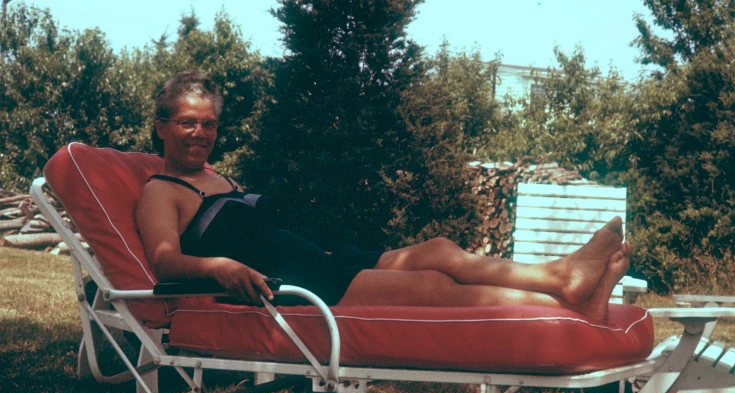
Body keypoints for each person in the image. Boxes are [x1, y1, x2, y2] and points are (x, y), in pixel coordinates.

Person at [136, 72, 632, 324]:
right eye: (187, 122)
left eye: (209, 123)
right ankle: (566, 308)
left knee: (438, 249)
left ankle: (560, 280)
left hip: (323, 264)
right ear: (161, 126)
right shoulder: (162, 192)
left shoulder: (217, 179)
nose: (200, 133)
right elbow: (164, 261)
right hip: (298, 289)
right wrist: (221, 267)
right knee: (437, 288)